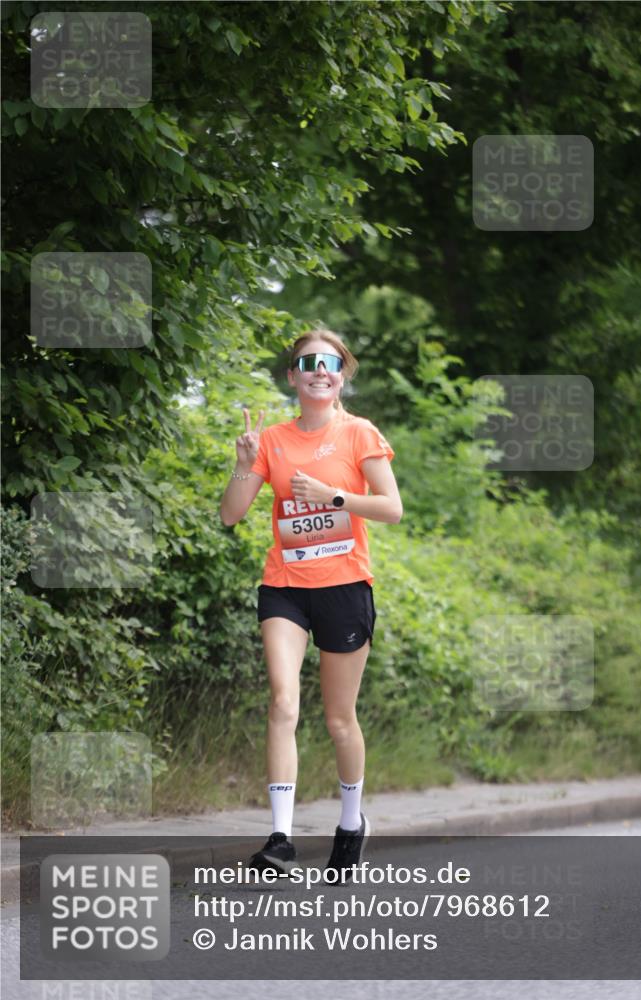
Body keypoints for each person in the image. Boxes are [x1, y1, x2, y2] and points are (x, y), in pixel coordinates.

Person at [219, 328, 402, 882]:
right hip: (286, 587)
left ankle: (351, 823)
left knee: (339, 719)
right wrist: (243, 462)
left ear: (341, 375)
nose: (320, 370)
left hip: (345, 586)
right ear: (294, 377)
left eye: (331, 362)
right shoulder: (271, 440)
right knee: (282, 701)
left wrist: (335, 498)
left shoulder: (359, 434)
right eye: (308, 363)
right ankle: (280, 839)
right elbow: (230, 515)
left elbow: (391, 508)